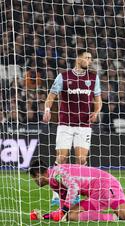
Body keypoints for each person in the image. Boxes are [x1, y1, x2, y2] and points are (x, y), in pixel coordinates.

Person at [43, 49, 102, 205]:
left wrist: (96, 111)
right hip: (65, 124)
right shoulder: (63, 76)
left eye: (91, 59)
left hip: (84, 125)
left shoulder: (93, 78)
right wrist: (47, 110)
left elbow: (98, 99)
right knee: (61, 158)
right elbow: (51, 96)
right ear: (78, 59)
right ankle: (56, 194)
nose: (89, 61)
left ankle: (75, 192)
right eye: (86, 58)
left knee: (81, 160)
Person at [28, 159, 125, 222]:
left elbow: (73, 187)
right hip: (93, 194)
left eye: (34, 178)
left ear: (40, 174)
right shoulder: (53, 182)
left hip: (105, 184)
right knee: (71, 215)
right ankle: (114, 218)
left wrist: (63, 210)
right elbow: (64, 207)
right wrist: (46, 216)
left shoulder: (58, 173)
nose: (35, 182)